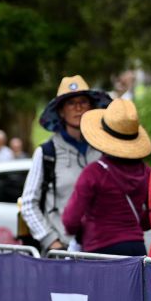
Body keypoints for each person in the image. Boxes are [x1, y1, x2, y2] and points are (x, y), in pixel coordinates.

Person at [20, 75, 111, 254]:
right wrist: (51, 241)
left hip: (102, 251)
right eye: (71, 103)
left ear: (91, 107)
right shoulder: (47, 153)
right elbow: (28, 203)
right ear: (61, 111)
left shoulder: (105, 150)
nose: (78, 108)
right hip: (62, 251)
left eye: (83, 101)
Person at [62, 99, 151, 256]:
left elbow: (70, 221)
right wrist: (131, 226)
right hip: (137, 250)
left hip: (100, 252)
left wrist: (87, 227)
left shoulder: (94, 173)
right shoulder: (146, 172)